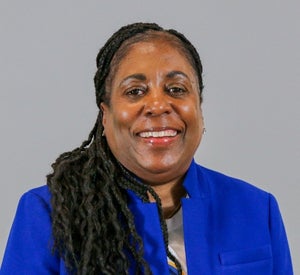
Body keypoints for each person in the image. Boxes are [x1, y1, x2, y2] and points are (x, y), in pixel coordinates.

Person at [0, 22, 293, 275]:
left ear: (199, 108)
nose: (157, 105)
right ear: (106, 115)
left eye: (176, 89)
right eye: (135, 91)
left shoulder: (257, 209)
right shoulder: (48, 214)